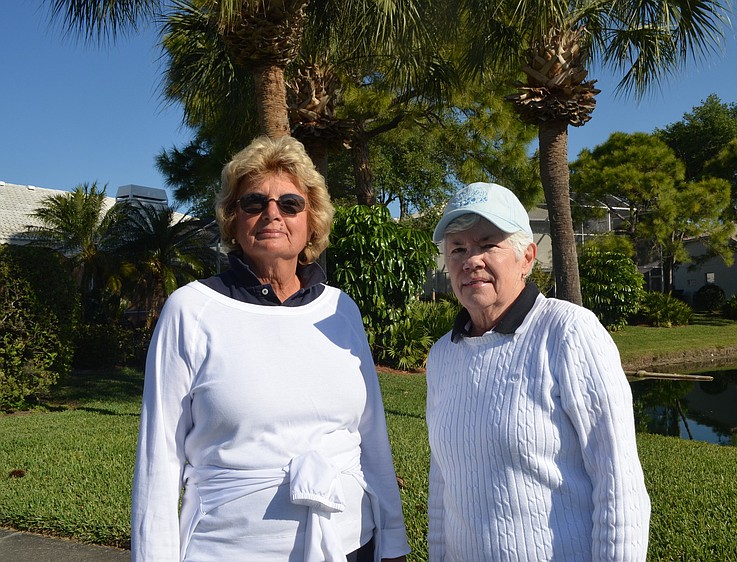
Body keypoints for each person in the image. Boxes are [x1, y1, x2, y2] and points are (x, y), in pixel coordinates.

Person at [131, 135, 409, 562]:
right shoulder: (191, 310)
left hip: (349, 544)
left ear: (312, 220)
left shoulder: (341, 310)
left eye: (290, 204)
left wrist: (392, 540)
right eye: (254, 203)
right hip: (229, 549)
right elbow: (159, 457)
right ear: (233, 220)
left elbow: (371, 438)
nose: (272, 214)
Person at [426, 182, 651, 561]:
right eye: (458, 249)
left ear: (527, 257)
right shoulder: (443, 355)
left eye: (488, 244)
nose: (471, 260)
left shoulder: (569, 333)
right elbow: (442, 483)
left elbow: (619, 483)